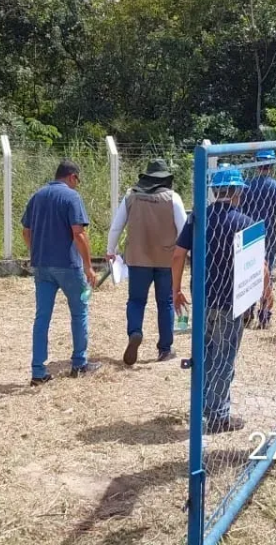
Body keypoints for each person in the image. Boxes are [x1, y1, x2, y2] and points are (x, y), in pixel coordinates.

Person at [172, 166, 272, 434]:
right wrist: (266, 294)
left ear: (215, 191)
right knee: (225, 356)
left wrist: (176, 289)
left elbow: (178, 254)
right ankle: (218, 415)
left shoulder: (197, 219)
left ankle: (204, 407)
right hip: (232, 300)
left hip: (203, 296)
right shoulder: (246, 222)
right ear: (238, 191)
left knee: (205, 352)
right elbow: (260, 266)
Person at [21, 160, 101, 385]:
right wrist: (88, 266)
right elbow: (79, 234)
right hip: (68, 265)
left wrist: (36, 251)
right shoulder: (71, 198)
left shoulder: (37, 196)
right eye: (78, 181)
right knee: (79, 312)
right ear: (72, 177)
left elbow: (26, 232)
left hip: (42, 266)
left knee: (42, 317)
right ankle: (79, 364)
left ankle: (38, 371)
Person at [106, 159, 187, 365]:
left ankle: (135, 332)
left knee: (136, 301)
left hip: (138, 259)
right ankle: (165, 349)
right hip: (166, 260)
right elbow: (183, 229)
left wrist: (110, 250)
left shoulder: (131, 196)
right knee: (165, 302)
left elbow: (116, 227)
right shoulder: (173, 198)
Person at [239, 149, 276, 329]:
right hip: (268, 234)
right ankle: (265, 314)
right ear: (272, 166)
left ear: (256, 164)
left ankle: (247, 311)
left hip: (248, 232)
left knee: (249, 272)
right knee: (266, 274)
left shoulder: (246, 186)